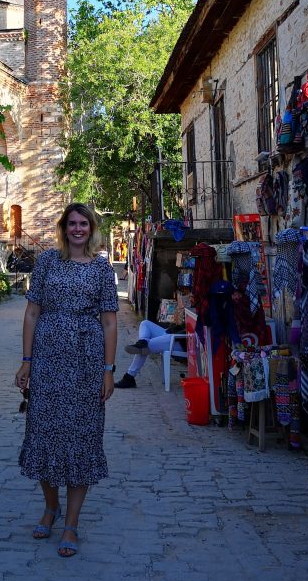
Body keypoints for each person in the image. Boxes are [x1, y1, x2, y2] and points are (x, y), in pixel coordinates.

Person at [15, 203, 118, 557]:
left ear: (91, 228)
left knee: (81, 436)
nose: (77, 229)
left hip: (87, 362)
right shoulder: (46, 262)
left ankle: (71, 523)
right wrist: (26, 361)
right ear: (63, 228)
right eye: (71, 224)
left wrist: (108, 370)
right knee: (43, 430)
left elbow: (109, 322)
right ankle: (50, 505)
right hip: (46, 360)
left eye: (83, 224)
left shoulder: (103, 270)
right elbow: (31, 312)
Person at [114, 318, 187, 389]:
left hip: (179, 340)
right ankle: (142, 341)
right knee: (145, 323)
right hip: (173, 333)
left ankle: (129, 377)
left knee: (144, 347)